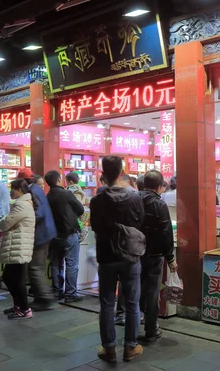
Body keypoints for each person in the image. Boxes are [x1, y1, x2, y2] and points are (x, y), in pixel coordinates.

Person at [90, 155, 145, 363]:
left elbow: (95, 226)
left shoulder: (97, 200)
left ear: (103, 175)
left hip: (106, 255)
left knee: (106, 303)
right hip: (131, 255)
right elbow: (140, 222)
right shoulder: (135, 197)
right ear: (122, 172)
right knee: (132, 303)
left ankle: (109, 349)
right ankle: (130, 347)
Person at [139, 170, 178, 341]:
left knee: (136, 289)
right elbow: (165, 233)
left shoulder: (132, 200)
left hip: (135, 253)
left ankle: (134, 325)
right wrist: (170, 258)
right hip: (154, 255)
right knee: (152, 291)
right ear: (160, 186)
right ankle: (151, 328)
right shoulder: (159, 205)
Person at [18, 169, 57, 311]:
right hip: (46, 232)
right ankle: (40, 296)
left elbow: (38, 213)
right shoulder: (36, 189)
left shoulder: (32, 191)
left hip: (41, 234)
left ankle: (46, 297)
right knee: (36, 267)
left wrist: (24, 217)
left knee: (35, 267)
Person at [0, 179, 36, 319]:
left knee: (15, 280)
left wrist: (0, 222)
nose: (10, 192)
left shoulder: (21, 205)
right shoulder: (25, 203)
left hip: (19, 246)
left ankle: (25, 309)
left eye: (12, 189)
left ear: (19, 189)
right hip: (18, 245)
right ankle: (19, 306)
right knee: (9, 278)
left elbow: (6, 223)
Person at [45, 170, 85, 303]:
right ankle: (70, 293)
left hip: (54, 235)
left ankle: (57, 291)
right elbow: (80, 209)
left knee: (56, 263)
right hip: (69, 233)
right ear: (58, 179)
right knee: (72, 264)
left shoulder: (47, 196)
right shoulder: (66, 194)